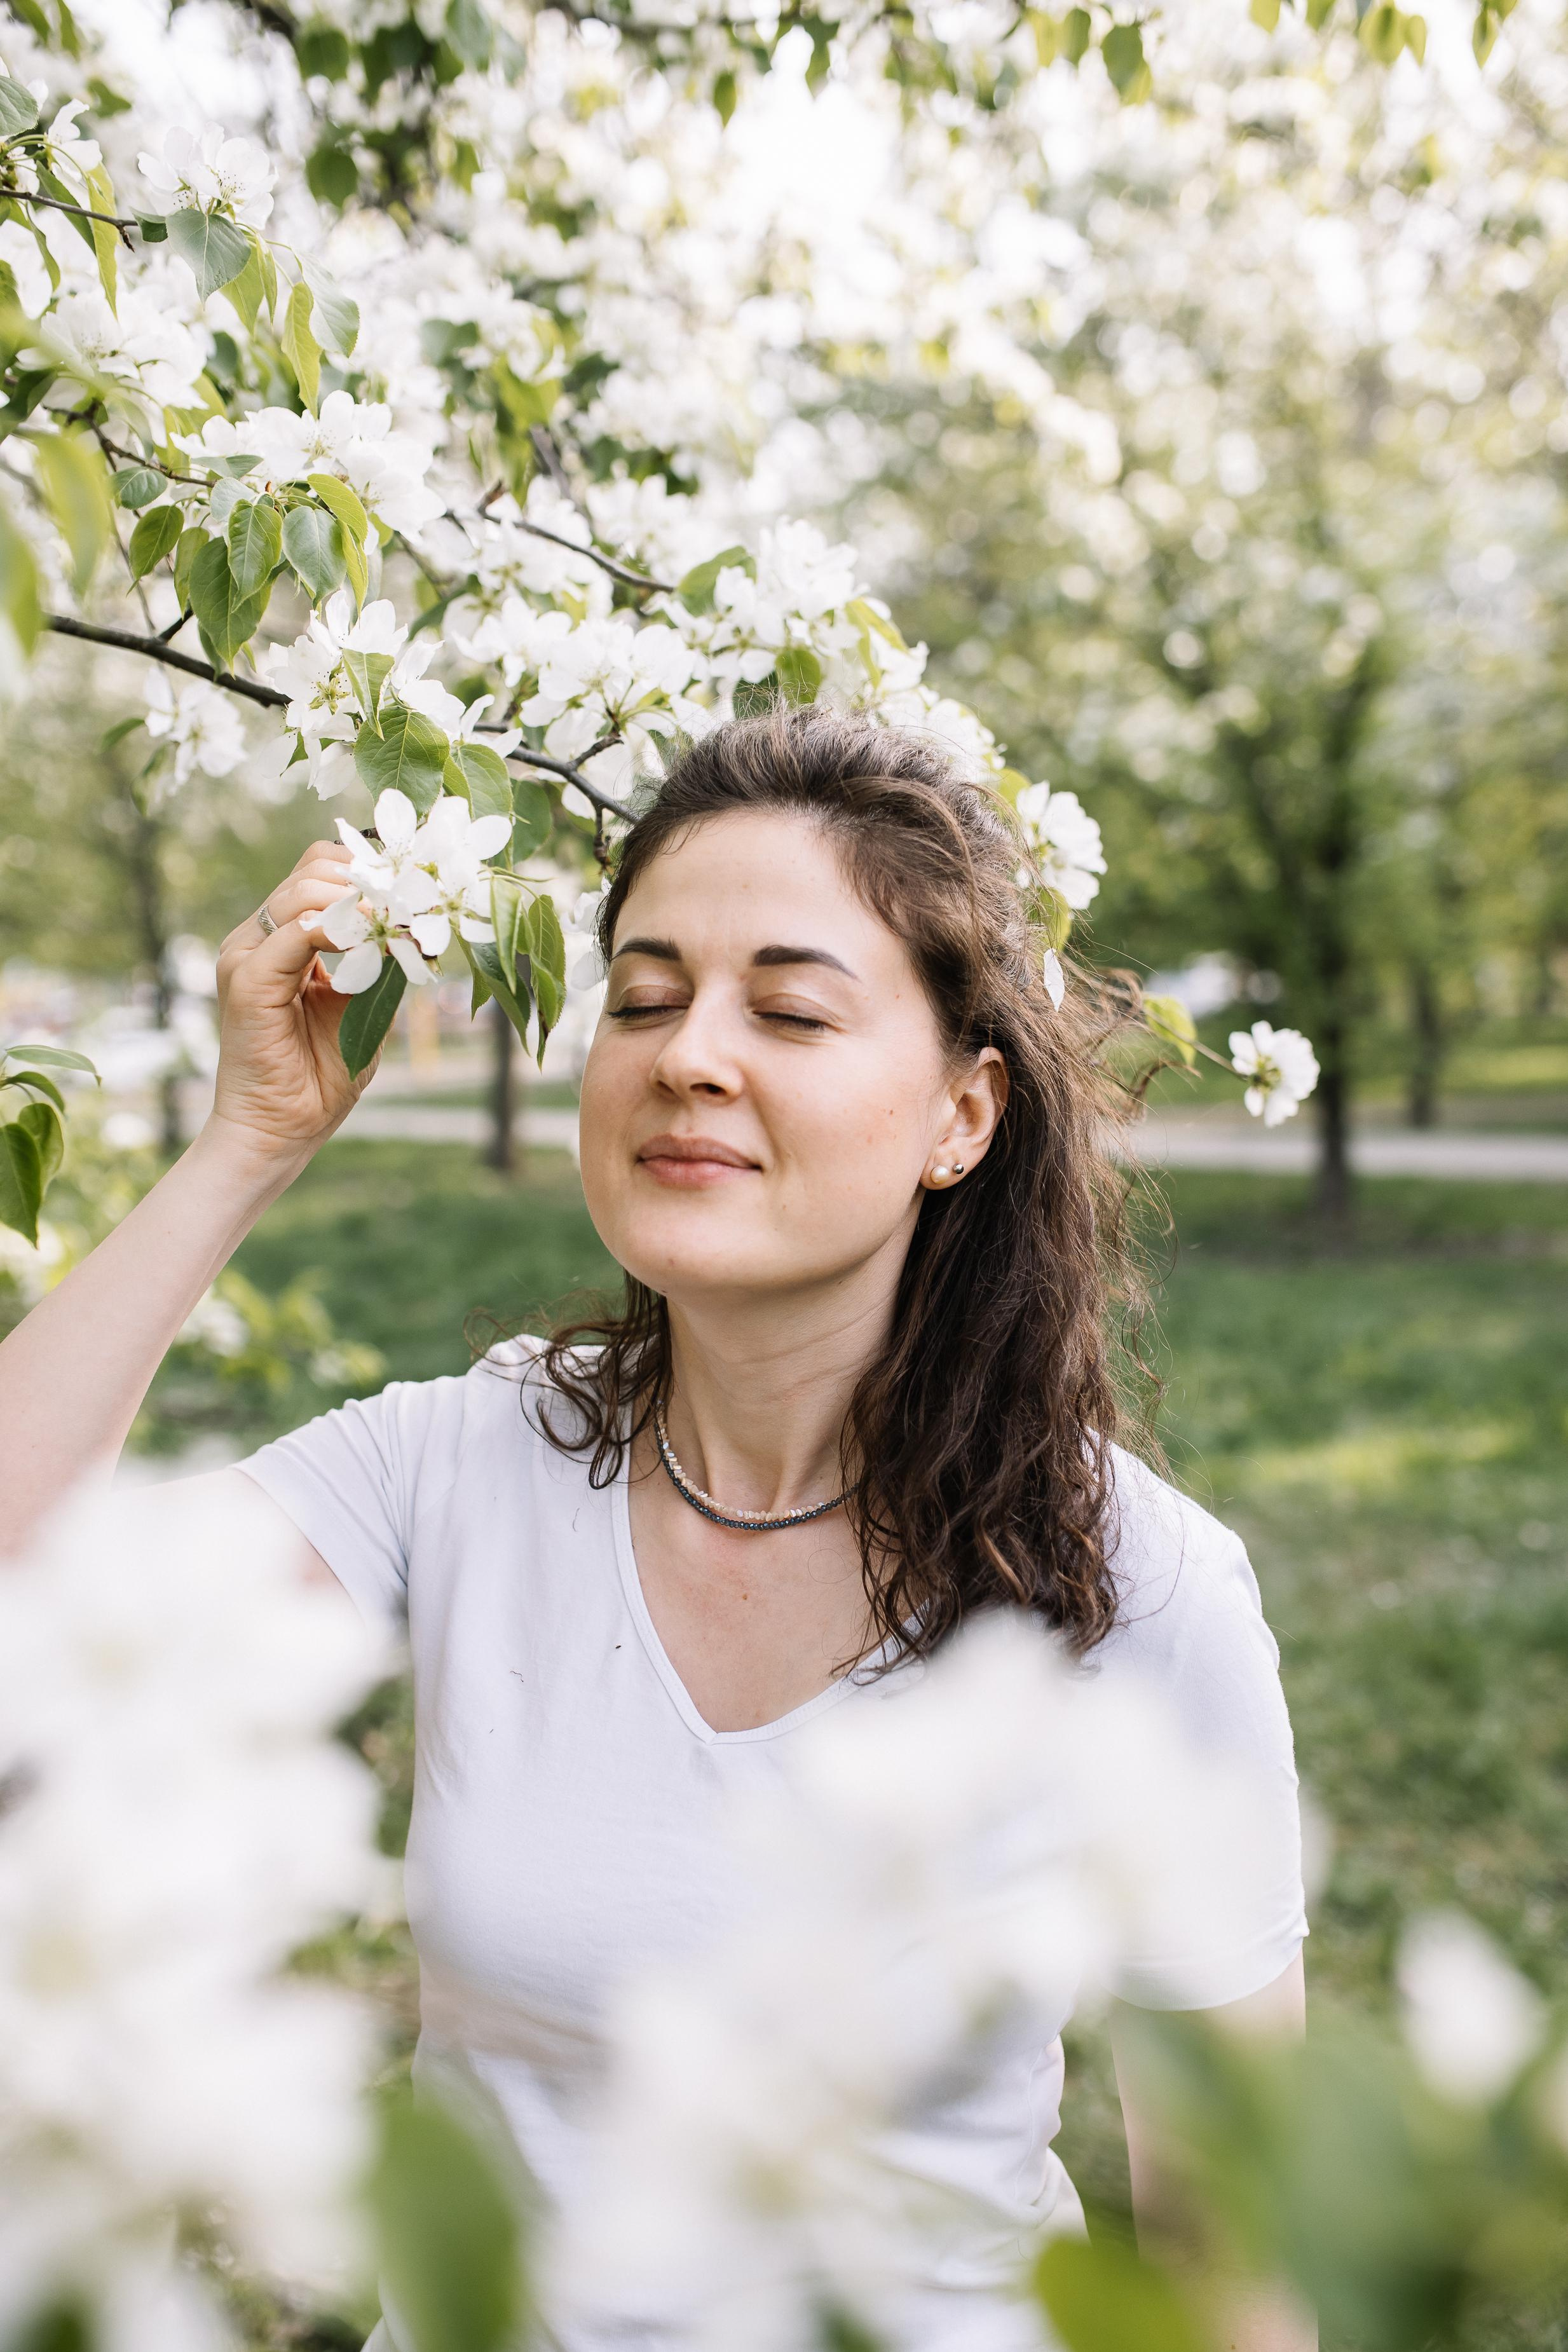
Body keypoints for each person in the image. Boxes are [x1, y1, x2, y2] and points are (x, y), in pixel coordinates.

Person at [1, 706, 1310, 2351]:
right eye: (640, 994)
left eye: (787, 1005)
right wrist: (246, 1142)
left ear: (959, 1116)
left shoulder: (1138, 1588)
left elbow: (1231, 2259)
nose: (688, 1051)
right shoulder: (465, 1460)